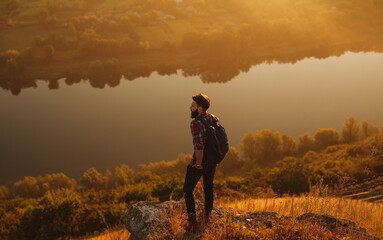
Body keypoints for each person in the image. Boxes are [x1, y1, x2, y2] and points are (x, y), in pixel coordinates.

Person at [183, 93, 220, 232]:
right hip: (213, 161)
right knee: (208, 187)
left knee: (187, 190)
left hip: (201, 162)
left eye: (192, 106)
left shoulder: (196, 123)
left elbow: (199, 146)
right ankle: (207, 215)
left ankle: (192, 221)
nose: (190, 107)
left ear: (199, 108)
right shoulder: (213, 117)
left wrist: (198, 164)